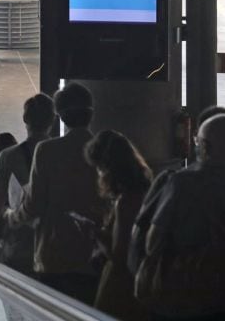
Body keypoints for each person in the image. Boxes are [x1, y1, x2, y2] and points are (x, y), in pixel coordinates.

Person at [131, 113, 225, 321]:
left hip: (178, 302)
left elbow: (153, 242)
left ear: (204, 145)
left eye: (197, 140)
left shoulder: (179, 185)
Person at [5, 82, 107, 305]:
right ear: (91, 113)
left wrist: (12, 217)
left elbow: (34, 204)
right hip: (93, 255)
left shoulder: (47, 151)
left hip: (54, 255)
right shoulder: (105, 150)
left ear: (60, 116)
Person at [0, 93, 56, 274]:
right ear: (52, 119)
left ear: (25, 119)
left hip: (22, 240)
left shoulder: (9, 156)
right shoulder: (62, 154)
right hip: (56, 239)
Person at [83, 130, 152, 321]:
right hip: (139, 282)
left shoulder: (125, 201)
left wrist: (96, 233)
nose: (98, 173)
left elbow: (119, 254)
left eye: (100, 168)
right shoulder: (146, 192)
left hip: (119, 285)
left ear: (109, 167)